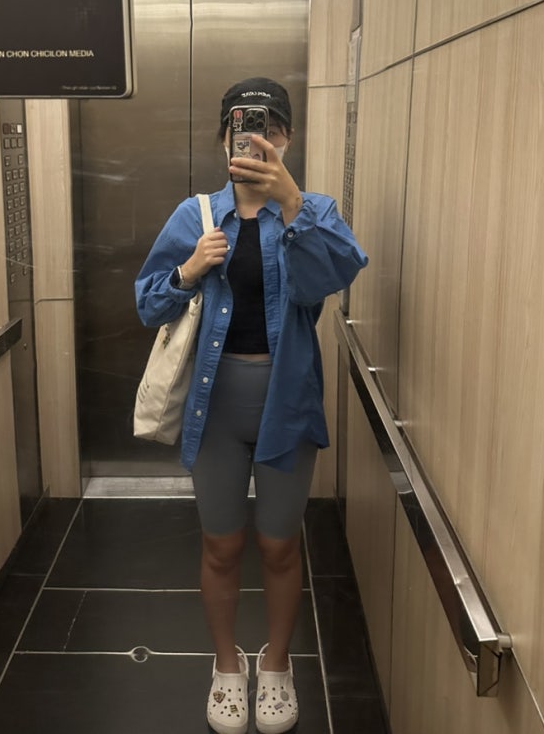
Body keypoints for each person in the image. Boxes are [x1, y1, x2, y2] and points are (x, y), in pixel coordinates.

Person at [135, 77, 367, 734]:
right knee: (220, 545)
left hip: (286, 404)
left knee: (279, 545)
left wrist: (291, 201)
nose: (258, 139)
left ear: (286, 137)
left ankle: (277, 663)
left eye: (272, 128)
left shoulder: (310, 211)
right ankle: (225, 666)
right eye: (243, 127)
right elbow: (147, 302)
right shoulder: (195, 217)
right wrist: (188, 272)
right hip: (213, 409)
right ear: (224, 138)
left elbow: (335, 275)